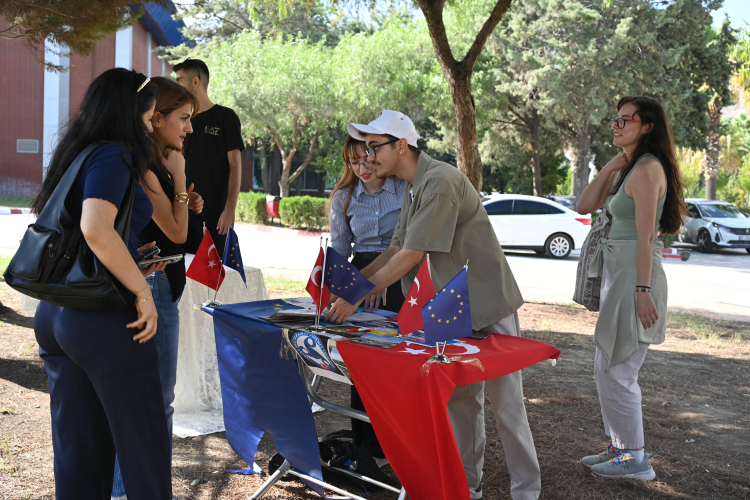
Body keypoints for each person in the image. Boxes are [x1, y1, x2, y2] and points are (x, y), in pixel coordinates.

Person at [326, 110, 540, 500]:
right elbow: (394, 248)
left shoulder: (440, 180)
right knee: (462, 403)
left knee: (506, 404)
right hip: (450, 307)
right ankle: (468, 488)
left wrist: (354, 297)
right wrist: (348, 288)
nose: (368, 157)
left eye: (374, 147)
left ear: (401, 145)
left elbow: (412, 254)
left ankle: (527, 491)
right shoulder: (413, 186)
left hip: (487, 303)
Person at [31, 69, 172, 499]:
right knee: (144, 450)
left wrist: (128, 260)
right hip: (101, 320)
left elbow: (84, 233)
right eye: (148, 118)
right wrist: (142, 292)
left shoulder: (77, 152)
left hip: (56, 312)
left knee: (78, 455)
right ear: (130, 114)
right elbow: (95, 229)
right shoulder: (114, 154)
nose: (150, 128)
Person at [576, 96, 685, 480]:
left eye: (626, 120)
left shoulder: (648, 169)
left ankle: (634, 459)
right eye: (616, 119)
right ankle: (620, 446)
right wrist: (611, 165)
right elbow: (584, 204)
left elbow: (646, 238)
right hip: (618, 276)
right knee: (605, 364)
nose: (616, 125)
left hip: (634, 278)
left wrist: (642, 291)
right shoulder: (630, 168)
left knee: (619, 369)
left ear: (647, 126)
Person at [110, 77, 203, 500]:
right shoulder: (149, 169)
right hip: (154, 284)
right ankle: (140, 490)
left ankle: (131, 488)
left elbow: (177, 226)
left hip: (159, 283)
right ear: (157, 118)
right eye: (183, 118)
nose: (189, 128)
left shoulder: (153, 166)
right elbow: (178, 235)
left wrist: (185, 198)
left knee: (143, 396)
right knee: (155, 398)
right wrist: (180, 181)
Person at [328, 134, 406, 463]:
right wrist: (336, 293)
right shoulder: (343, 197)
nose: (362, 168)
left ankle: (396, 446)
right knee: (361, 362)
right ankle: (366, 447)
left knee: (393, 362)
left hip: (401, 273)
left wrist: (381, 281)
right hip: (360, 273)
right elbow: (339, 250)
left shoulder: (404, 189)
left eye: (367, 160)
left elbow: (405, 245)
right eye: (353, 162)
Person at [174, 58, 244, 257]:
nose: (175, 85)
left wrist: (229, 209)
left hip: (215, 217)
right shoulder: (178, 121)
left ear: (195, 81)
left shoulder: (225, 117)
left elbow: (235, 167)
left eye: (179, 80)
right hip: (181, 213)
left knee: (212, 273)